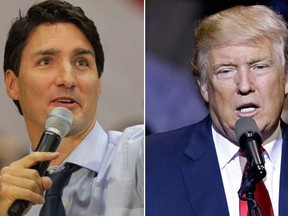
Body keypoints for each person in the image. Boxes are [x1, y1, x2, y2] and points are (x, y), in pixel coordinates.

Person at [0, 0, 144, 215]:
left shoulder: (138, 155)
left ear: (98, 85)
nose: (68, 79)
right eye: (46, 61)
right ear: (13, 84)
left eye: (81, 62)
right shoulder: (12, 200)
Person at [146, 4, 288, 216]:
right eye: (226, 71)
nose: (244, 85)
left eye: (259, 67)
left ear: (285, 78)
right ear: (203, 87)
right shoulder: (149, 162)